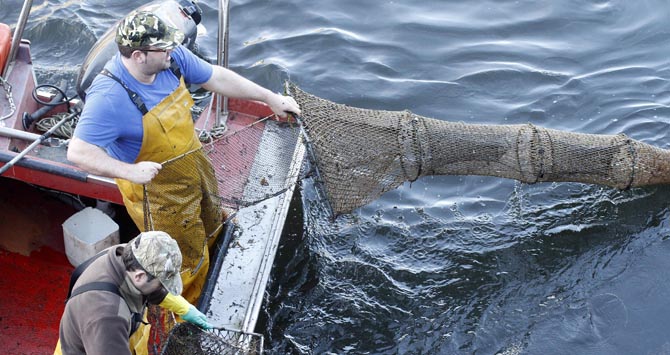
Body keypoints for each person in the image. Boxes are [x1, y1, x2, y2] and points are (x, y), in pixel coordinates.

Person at [67, 10, 301, 306]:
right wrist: (129, 171)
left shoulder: (172, 59)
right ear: (139, 55)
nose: (172, 51)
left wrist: (269, 98)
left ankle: (213, 259)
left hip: (193, 163)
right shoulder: (109, 97)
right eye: (163, 48)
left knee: (213, 217)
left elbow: (216, 77)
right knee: (184, 258)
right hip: (158, 192)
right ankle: (186, 310)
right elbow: (77, 151)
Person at [55, 231, 211, 355]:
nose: (163, 287)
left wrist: (184, 308)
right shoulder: (108, 316)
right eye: (162, 283)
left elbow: (151, 287)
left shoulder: (131, 254)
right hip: (93, 343)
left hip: (100, 333)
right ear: (139, 277)